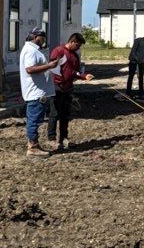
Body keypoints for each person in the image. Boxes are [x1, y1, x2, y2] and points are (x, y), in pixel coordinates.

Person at [46, 31, 93, 150]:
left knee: (65, 115)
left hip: (68, 88)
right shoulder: (59, 51)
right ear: (71, 42)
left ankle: (64, 138)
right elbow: (52, 67)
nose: (78, 48)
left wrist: (83, 76)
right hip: (56, 87)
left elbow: (74, 72)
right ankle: (51, 139)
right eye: (77, 45)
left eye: (80, 46)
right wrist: (59, 81)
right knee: (54, 113)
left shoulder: (75, 56)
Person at [18, 26, 58, 155]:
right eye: (42, 37)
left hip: (37, 91)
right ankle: (33, 147)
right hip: (35, 92)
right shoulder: (31, 51)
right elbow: (29, 69)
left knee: (35, 119)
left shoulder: (32, 50)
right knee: (34, 120)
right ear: (35, 37)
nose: (43, 40)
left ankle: (33, 145)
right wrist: (49, 66)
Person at [126, 29, 144, 95]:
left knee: (141, 78)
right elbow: (133, 51)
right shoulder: (138, 41)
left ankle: (141, 93)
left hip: (140, 63)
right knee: (131, 76)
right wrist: (135, 58)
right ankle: (128, 92)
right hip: (133, 62)